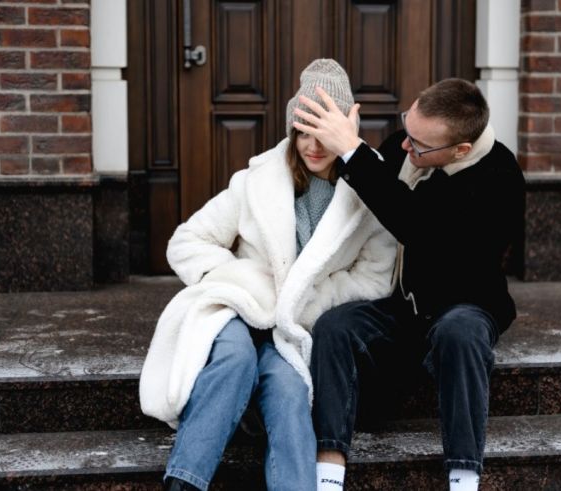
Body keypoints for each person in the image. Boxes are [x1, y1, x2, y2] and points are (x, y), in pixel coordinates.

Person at [139, 59, 396, 491]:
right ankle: (183, 483)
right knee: (235, 360)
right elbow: (185, 243)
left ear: (344, 133)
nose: (312, 146)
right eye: (302, 132)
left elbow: (375, 278)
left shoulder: (368, 197)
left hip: (294, 329)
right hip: (237, 312)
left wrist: (304, 297)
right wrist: (242, 280)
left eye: (323, 134)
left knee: (290, 394)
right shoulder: (256, 182)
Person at [293, 78, 525, 491]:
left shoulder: (500, 180)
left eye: (418, 145)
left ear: (461, 150)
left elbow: (417, 224)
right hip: (399, 305)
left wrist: (353, 151)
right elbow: (362, 178)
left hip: (463, 305)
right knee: (334, 326)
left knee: (460, 333)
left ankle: (464, 477)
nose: (404, 146)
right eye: (407, 128)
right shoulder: (414, 143)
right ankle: (328, 471)